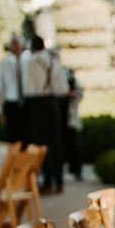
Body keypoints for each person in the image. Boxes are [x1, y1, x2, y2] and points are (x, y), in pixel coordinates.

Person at [22, 35, 66, 192]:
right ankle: (59, 181)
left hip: (36, 104)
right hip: (52, 103)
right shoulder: (53, 61)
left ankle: (47, 182)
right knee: (55, 142)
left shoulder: (30, 62)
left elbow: (27, 87)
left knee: (41, 144)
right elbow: (63, 88)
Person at [0, 35, 25, 144]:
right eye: (13, 45)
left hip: (27, 104)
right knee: (12, 136)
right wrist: (0, 109)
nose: (16, 47)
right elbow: (0, 88)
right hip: (11, 104)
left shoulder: (28, 61)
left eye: (18, 44)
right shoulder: (4, 64)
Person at [64, 66, 84, 182]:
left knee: (75, 146)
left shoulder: (76, 86)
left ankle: (76, 170)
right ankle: (72, 168)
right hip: (65, 122)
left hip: (72, 120)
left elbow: (78, 96)